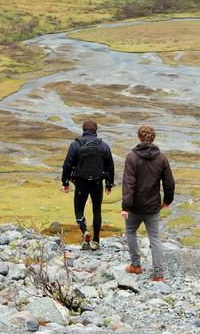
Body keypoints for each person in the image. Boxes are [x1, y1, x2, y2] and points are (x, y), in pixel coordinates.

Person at [121, 124, 175, 281]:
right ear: (154, 138)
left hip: (135, 206)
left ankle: (136, 266)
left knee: (131, 232)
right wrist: (167, 200)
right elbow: (169, 183)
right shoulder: (161, 158)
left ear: (139, 137)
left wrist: (126, 206)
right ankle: (158, 274)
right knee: (155, 238)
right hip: (153, 206)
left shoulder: (132, 157)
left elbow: (128, 184)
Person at [61, 118, 115, 251]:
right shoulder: (104, 146)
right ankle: (96, 241)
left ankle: (84, 231)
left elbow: (67, 164)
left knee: (79, 210)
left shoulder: (75, 145)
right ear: (96, 131)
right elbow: (110, 167)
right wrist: (109, 184)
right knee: (97, 210)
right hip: (97, 183)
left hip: (80, 183)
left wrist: (65, 182)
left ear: (83, 130)